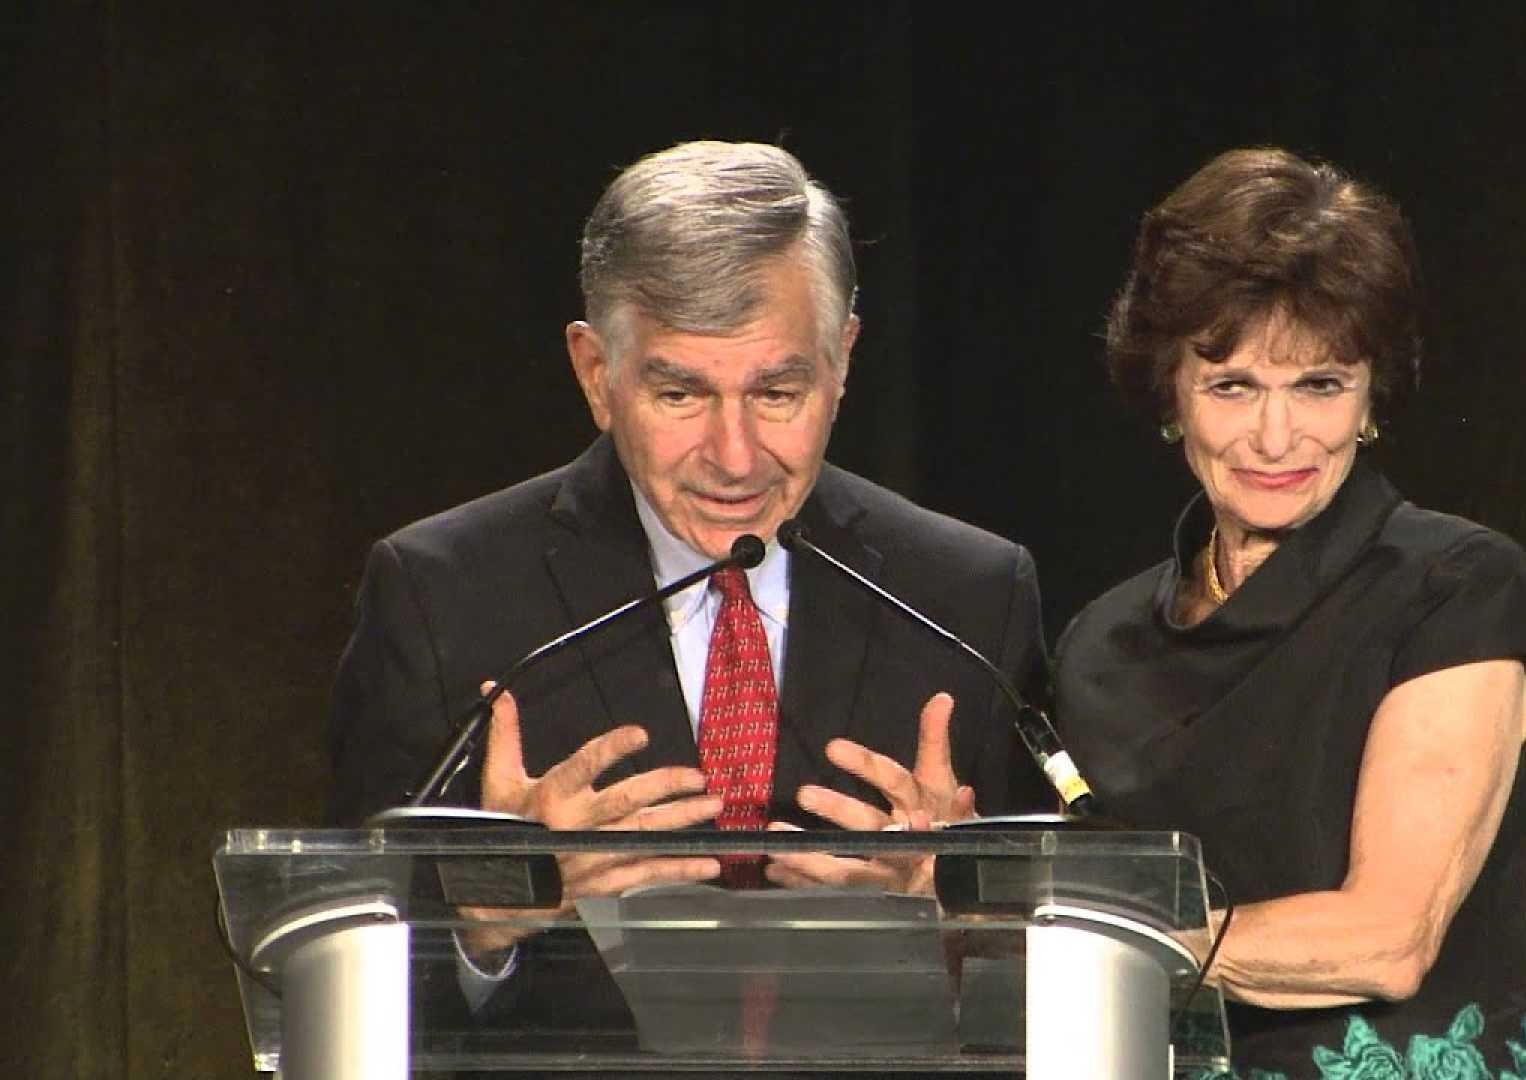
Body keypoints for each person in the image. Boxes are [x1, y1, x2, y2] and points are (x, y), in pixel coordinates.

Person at [326, 141, 1048, 1055]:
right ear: (597, 375)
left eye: (778, 391)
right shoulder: (444, 594)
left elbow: (1047, 988)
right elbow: (335, 974)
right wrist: (483, 920)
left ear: (844, 359)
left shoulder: (970, 598)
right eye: (680, 393)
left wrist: (957, 921)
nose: (736, 456)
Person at [1052, 147, 1526, 1078]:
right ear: (1171, 393)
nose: (1276, 437)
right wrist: (949, 874)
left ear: (1371, 394)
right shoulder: (1101, 645)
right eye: (1233, 386)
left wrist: (1096, 945)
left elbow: (1387, 938)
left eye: (1319, 386)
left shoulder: (1458, 589)